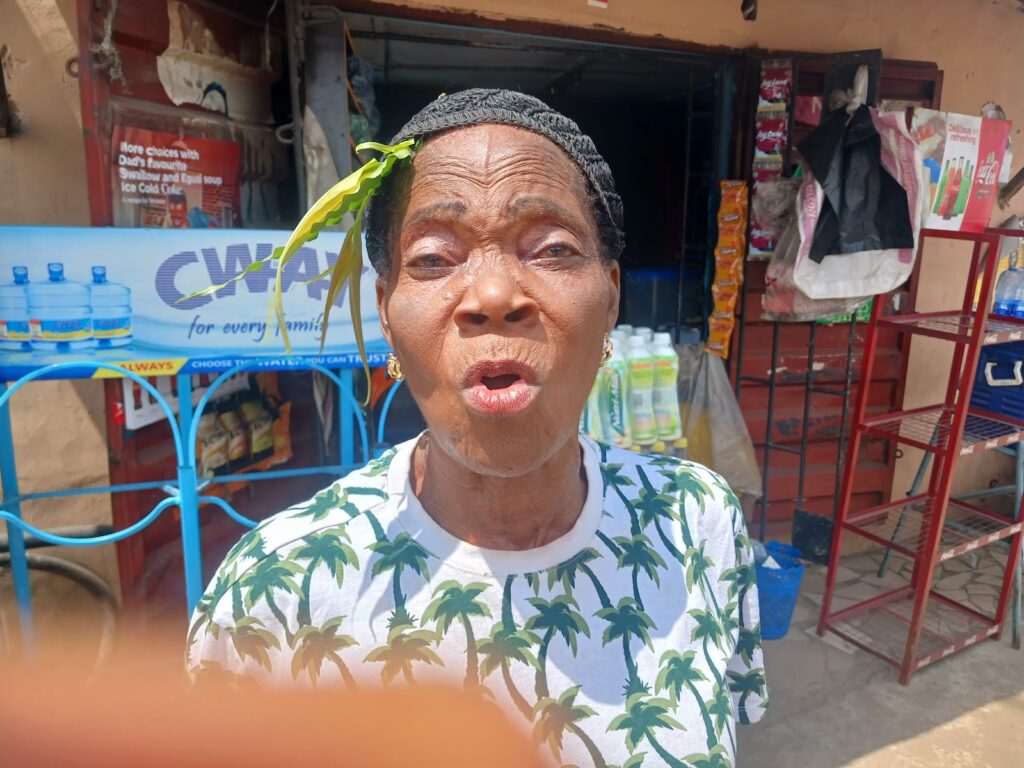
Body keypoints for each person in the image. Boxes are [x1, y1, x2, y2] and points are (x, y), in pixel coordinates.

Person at [187, 89, 767, 767]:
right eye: (433, 258)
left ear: (610, 298)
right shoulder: (276, 591)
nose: (494, 297)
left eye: (551, 248)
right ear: (386, 312)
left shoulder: (698, 521)